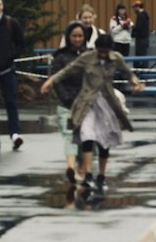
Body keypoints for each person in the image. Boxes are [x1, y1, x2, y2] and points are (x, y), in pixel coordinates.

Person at [41, 30, 145, 203]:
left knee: (104, 139)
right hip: (87, 102)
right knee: (87, 136)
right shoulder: (87, 58)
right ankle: (88, 174)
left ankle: (101, 175)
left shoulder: (116, 58)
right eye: (100, 51)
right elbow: (67, 70)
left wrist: (135, 82)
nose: (103, 54)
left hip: (107, 103)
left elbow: (128, 73)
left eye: (106, 51)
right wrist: (50, 81)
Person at [47, 21, 89, 183]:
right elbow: (57, 80)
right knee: (69, 136)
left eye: (80, 36)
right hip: (66, 104)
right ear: (68, 37)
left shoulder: (90, 55)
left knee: (87, 137)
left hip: (86, 103)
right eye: (74, 36)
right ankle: (70, 169)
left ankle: (83, 168)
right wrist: (67, 98)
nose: (77, 39)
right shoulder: (60, 56)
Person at [0, 0, 25, 150]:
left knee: (11, 101)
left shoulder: (11, 23)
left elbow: (21, 44)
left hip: (7, 69)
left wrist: (10, 57)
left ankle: (15, 134)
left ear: (3, 6)